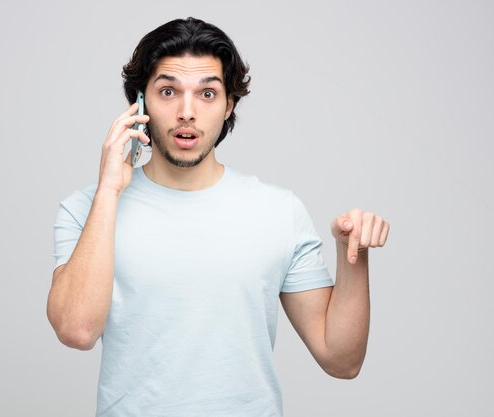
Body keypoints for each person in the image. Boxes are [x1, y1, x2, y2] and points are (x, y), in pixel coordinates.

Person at [47, 17, 390, 417]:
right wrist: (108, 190)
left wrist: (353, 253)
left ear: (229, 104)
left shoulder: (277, 211)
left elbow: (341, 360)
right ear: (139, 103)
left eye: (207, 93)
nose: (187, 112)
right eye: (168, 91)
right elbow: (76, 330)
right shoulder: (86, 209)